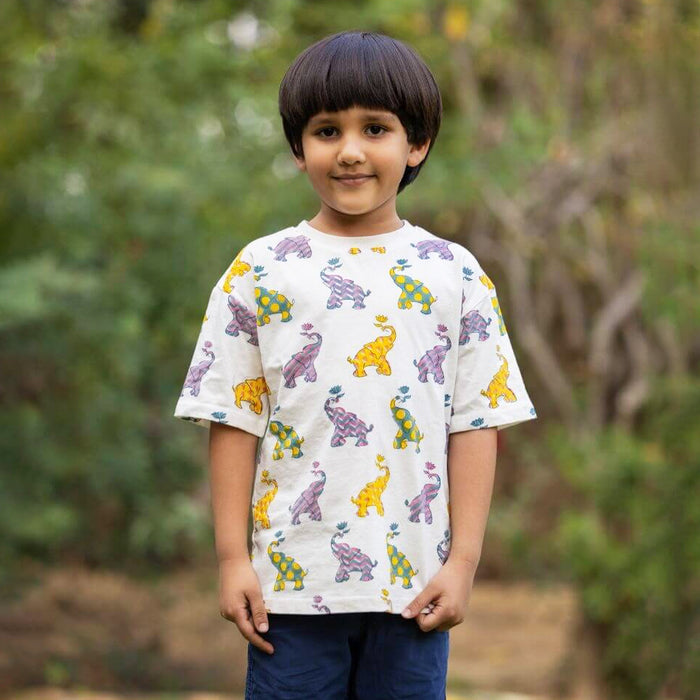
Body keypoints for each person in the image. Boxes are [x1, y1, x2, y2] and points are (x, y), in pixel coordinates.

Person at [174, 30, 537, 700]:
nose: (349, 150)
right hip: (290, 591)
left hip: (414, 593)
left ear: (416, 143)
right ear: (298, 147)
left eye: (375, 128)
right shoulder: (261, 271)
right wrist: (231, 560)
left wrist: (463, 563)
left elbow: (476, 423)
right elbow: (232, 419)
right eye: (325, 130)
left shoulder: (454, 274)